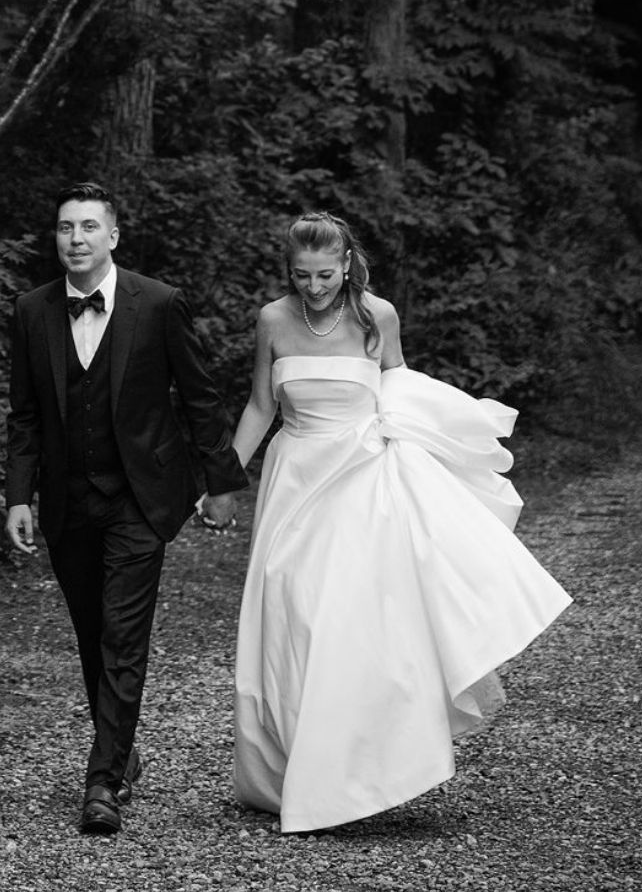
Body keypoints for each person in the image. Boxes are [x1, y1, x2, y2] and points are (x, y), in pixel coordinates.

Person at [229, 210, 572, 833]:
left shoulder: (377, 316)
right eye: (302, 275)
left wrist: (432, 462)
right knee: (291, 613)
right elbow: (260, 406)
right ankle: (294, 767)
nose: (314, 287)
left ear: (347, 264)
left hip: (363, 480)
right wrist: (223, 479)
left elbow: (401, 392)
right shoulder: (273, 319)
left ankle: (356, 769)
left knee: (351, 620)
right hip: (296, 477)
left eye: (325, 274)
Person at [5, 180, 248, 837]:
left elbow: (199, 397)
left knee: (122, 633)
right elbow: (24, 414)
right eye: (66, 227)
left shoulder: (159, 304)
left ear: (112, 236)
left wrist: (221, 481)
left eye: (89, 226)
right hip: (66, 500)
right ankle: (121, 749)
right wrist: (18, 495)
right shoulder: (31, 310)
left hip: (140, 497)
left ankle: (102, 782)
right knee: (92, 634)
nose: (76, 238)